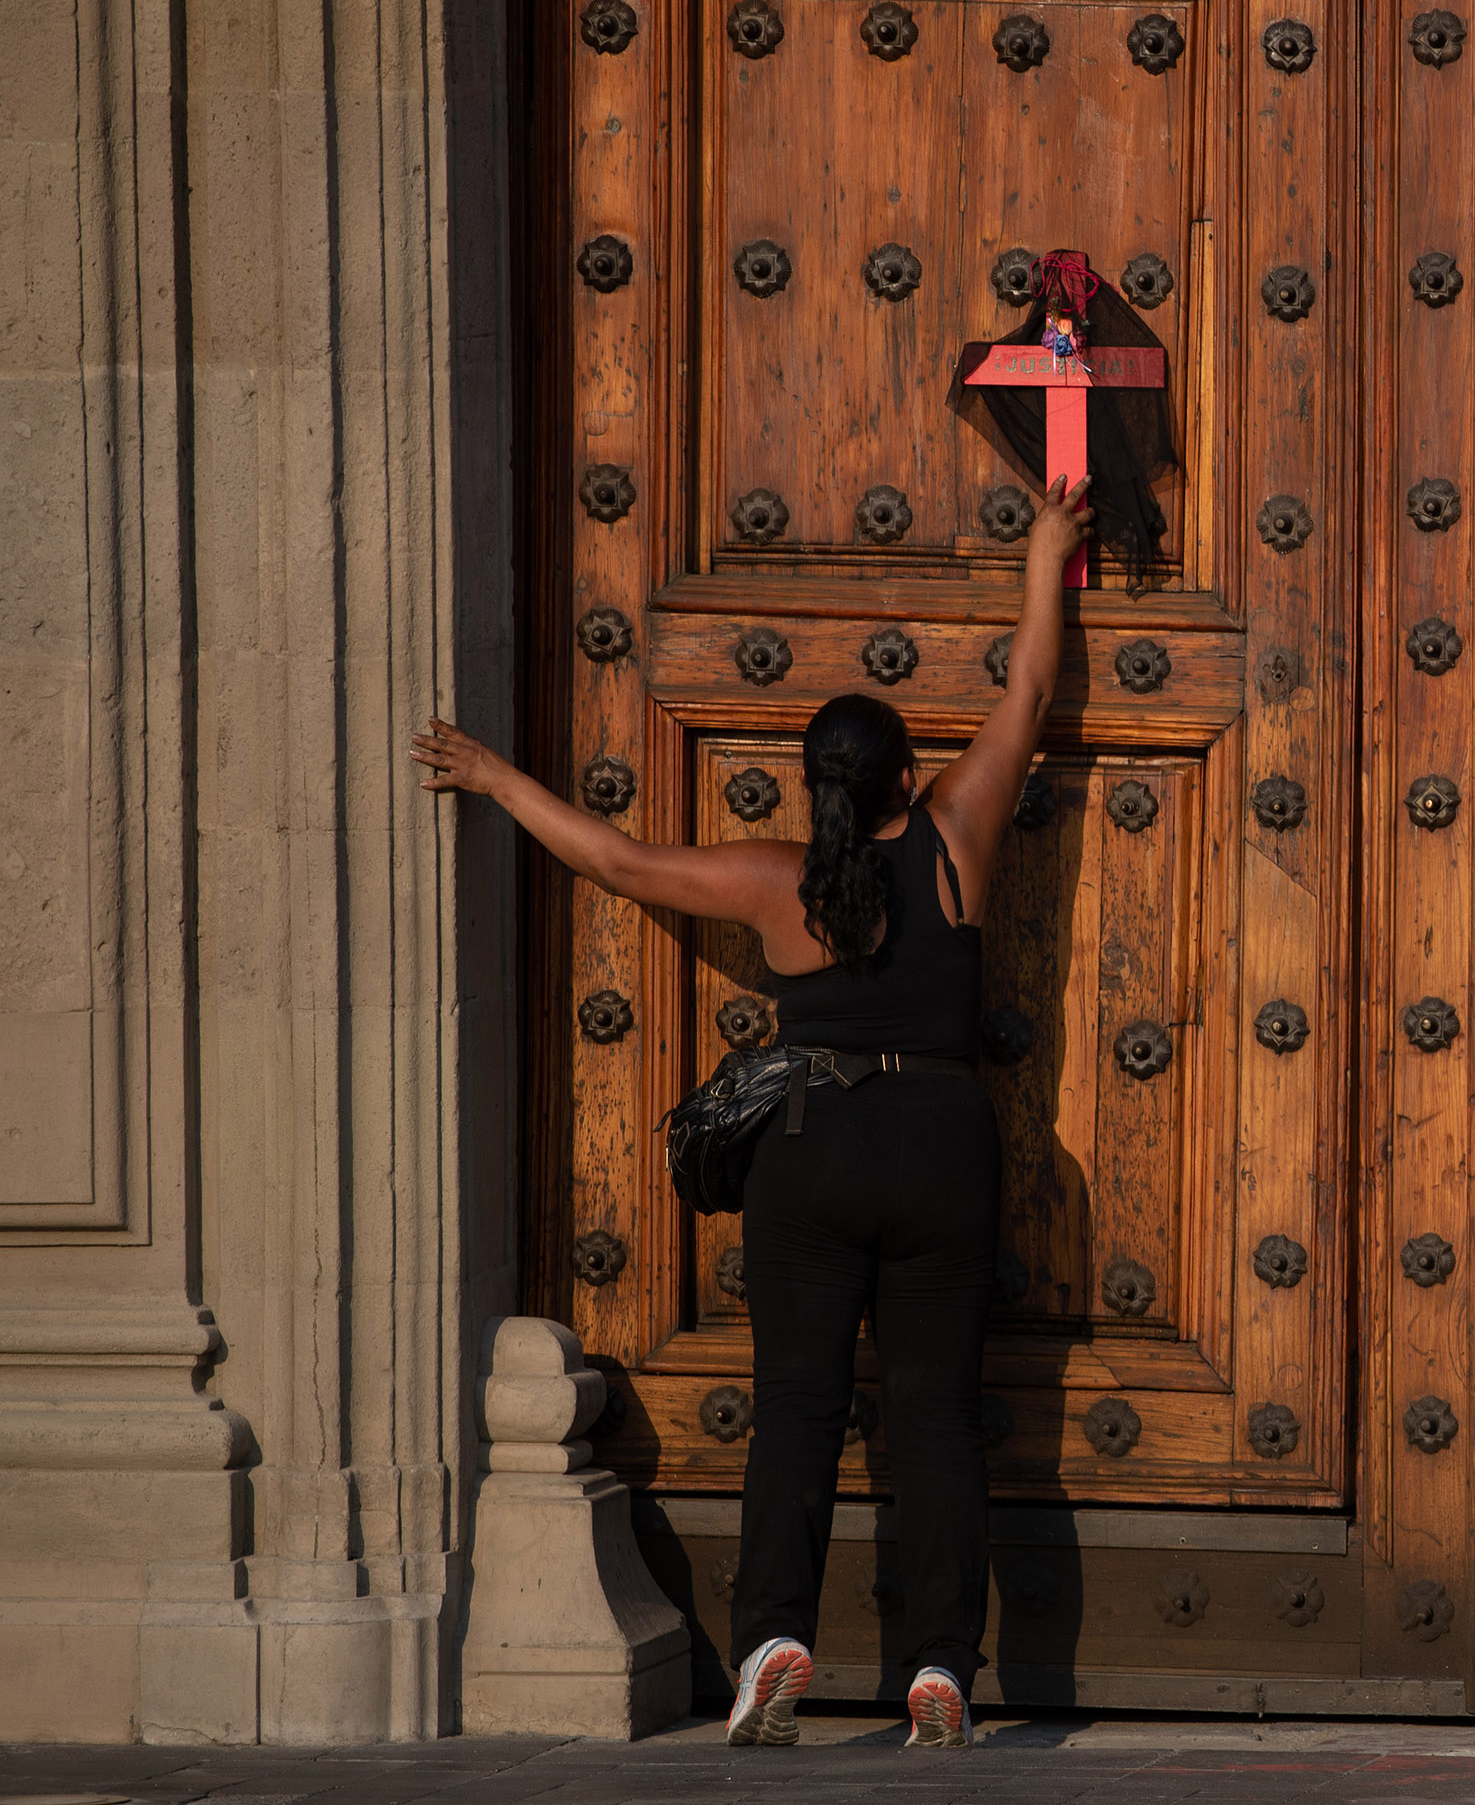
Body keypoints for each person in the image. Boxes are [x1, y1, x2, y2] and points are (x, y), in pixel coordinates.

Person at [411, 477, 1093, 1752]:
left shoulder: (775, 881)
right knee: (938, 1415)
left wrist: (498, 776)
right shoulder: (953, 840)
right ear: (902, 773)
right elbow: (1031, 697)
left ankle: (774, 1639)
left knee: (796, 1407)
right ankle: (939, 1664)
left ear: (814, 787)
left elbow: (615, 859)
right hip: (941, 1143)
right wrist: (1046, 552)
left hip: (813, 1152)